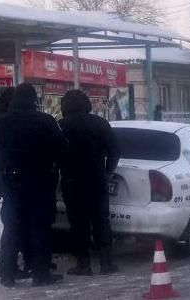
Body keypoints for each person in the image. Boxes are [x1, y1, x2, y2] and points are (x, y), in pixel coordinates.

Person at [0, 83, 67, 287]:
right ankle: (40, 273)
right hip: (41, 182)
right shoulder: (46, 121)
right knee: (40, 228)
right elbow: (62, 150)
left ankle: (8, 273)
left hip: (11, 183)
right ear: (34, 99)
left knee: (11, 227)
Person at [59, 89, 120, 276]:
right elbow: (115, 151)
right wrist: (107, 170)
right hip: (97, 179)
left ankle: (83, 264)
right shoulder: (101, 124)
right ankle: (106, 262)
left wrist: (62, 169)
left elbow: (54, 153)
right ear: (87, 104)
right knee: (101, 220)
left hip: (72, 181)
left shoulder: (61, 126)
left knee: (78, 223)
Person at [0, 88, 32, 280]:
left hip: (6, 178)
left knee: (16, 223)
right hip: (8, 179)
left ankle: (18, 264)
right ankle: (8, 267)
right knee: (14, 224)